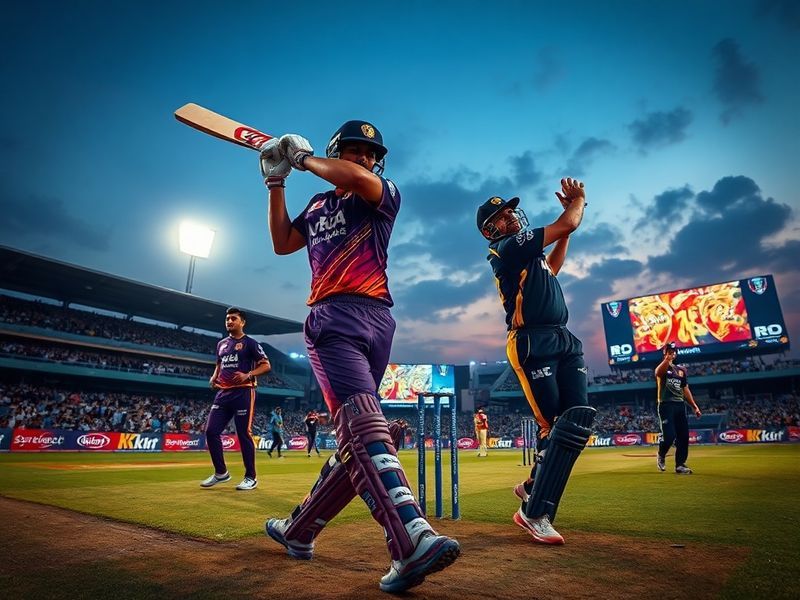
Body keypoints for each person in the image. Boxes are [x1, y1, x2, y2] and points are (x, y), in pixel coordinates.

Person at [258, 121, 459, 592]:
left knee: (359, 429)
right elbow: (283, 243)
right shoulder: (317, 204)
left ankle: (299, 530)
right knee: (364, 425)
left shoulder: (380, 193)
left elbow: (351, 177)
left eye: (371, 154)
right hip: (332, 317)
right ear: (337, 151)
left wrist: (302, 159)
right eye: (354, 150)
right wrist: (276, 183)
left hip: (376, 318)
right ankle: (410, 538)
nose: (365, 158)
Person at [477, 179, 597, 545]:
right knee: (554, 426)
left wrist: (565, 233)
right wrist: (579, 201)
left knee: (576, 422)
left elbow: (553, 264)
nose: (512, 217)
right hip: (531, 341)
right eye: (503, 215)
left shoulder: (530, 257)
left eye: (511, 211)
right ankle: (534, 512)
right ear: (490, 230)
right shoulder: (506, 248)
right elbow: (569, 222)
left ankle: (532, 486)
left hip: (563, 337)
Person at [201, 307, 271, 491]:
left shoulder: (251, 343)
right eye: (227, 319)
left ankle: (251, 477)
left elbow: (266, 365)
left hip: (244, 392)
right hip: (223, 393)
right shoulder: (221, 344)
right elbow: (219, 363)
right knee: (211, 432)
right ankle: (221, 473)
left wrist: (248, 374)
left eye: (233, 318)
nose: (229, 321)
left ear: (242, 322)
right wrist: (214, 376)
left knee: (243, 434)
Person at [655, 342, 702, 474]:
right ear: (665, 353)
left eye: (673, 352)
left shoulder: (681, 370)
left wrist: (694, 406)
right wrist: (667, 360)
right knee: (669, 436)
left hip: (680, 405)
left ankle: (680, 465)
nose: (672, 353)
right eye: (669, 352)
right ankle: (661, 454)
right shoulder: (663, 367)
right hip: (666, 405)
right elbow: (658, 373)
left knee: (683, 436)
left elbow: (685, 389)